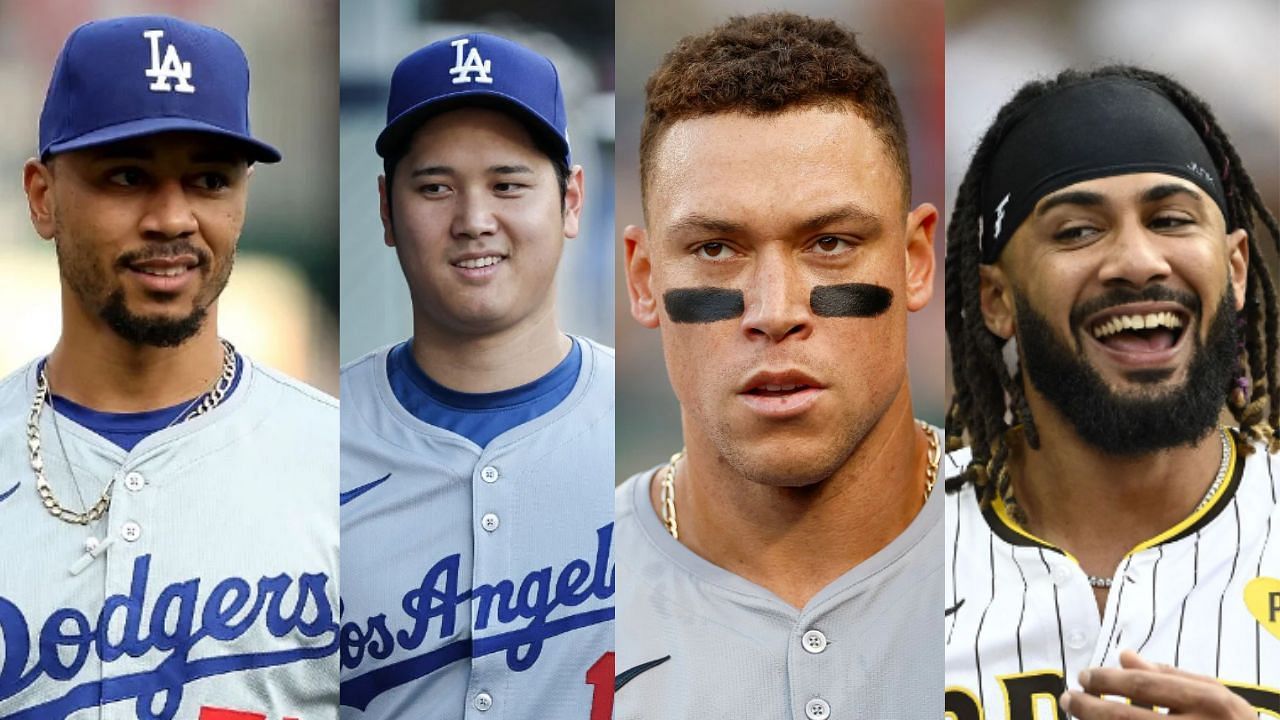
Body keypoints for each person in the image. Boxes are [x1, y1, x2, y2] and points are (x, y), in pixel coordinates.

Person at [0, 14, 338, 719]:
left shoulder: (346, 472)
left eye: (209, 180)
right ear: (42, 197)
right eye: (127, 176)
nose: (173, 218)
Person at [616, 12, 941, 718]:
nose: (774, 310)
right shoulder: (549, 609)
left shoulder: (1051, 570)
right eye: (715, 248)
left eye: (829, 241)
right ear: (643, 280)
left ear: (916, 260)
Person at [943, 66, 1280, 719]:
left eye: (1172, 220)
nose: (1138, 260)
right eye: (1077, 231)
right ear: (997, 300)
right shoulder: (881, 554)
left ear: (1235, 269)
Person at [337, 32, 615, 718]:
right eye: (435, 187)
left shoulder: (668, 436)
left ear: (571, 200)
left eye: (508, 184)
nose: (474, 221)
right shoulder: (309, 441)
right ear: (385, 211)